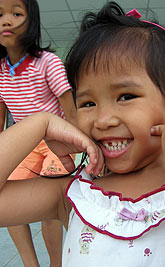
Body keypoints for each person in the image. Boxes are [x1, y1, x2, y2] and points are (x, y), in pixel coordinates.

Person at [0, 1, 165, 266]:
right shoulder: (74, 196)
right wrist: (41, 123)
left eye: (126, 96)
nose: (103, 121)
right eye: (88, 103)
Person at [0, 0, 76, 266]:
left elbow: (72, 110)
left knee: (50, 207)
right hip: (25, 143)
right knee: (5, 194)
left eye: (16, 13)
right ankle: (31, 263)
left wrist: (81, 146)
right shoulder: (0, 70)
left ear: (31, 21)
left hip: (57, 141)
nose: (6, 20)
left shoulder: (48, 62)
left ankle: (57, 263)